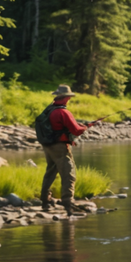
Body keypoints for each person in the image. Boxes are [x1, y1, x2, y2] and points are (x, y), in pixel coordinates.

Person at [38, 85, 95, 214]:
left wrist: (82, 126)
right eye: (69, 97)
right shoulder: (63, 112)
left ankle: (45, 200)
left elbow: (59, 127)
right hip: (59, 146)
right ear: (66, 98)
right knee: (69, 174)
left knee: (51, 171)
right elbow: (75, 130)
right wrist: (85, 127)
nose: (69, 99)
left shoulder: (49, 109)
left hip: (48, 145)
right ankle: (68, 203)